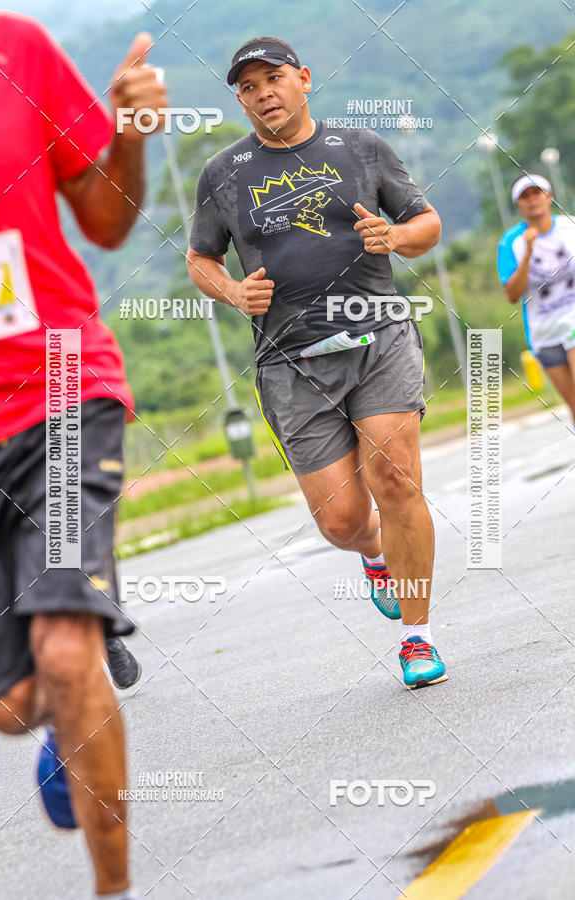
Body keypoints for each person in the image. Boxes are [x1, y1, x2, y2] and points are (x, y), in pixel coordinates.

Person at [0, 11, 168, 897]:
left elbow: (105, 217)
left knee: (60, 652)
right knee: (14, 706)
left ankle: (114, 890)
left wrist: (127, 135)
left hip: (60, 384)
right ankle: (72, 694)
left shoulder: (10, 48)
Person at [186, 36, 448, 689]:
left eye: (273, 78)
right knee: (342, 520)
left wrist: (396, 236)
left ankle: (416, 637)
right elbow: (201, 259)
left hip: (377, 335)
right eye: (247, 87)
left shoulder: (362, 148)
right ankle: (375, 554)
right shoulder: (222, 173)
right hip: (289, 360)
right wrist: (233, 291)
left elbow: (427, 224)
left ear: (303, 79)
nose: (262, 93)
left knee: (397, 477)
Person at [497, 174, 575, 424]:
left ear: (549, 196)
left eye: (537, 193)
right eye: (525, 196)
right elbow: (512, 294)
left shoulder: (569, 227)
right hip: (544, 335)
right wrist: (529, 252)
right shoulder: (512, 242)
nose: (532, 200)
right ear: (519, 205)